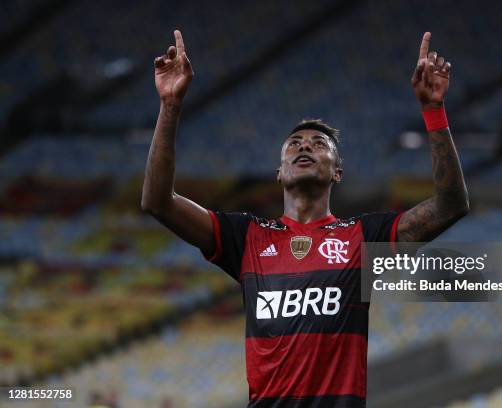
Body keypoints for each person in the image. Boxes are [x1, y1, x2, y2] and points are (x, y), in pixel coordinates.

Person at [142, 29, 468, 408]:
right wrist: (170, 106)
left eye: (318, 144)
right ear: (280, 172)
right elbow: (158, 202)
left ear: (337, 173)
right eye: (294, 145)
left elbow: (450, 205)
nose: (304, 147)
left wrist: (433, 111)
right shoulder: (246, 237)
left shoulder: (363, 238)